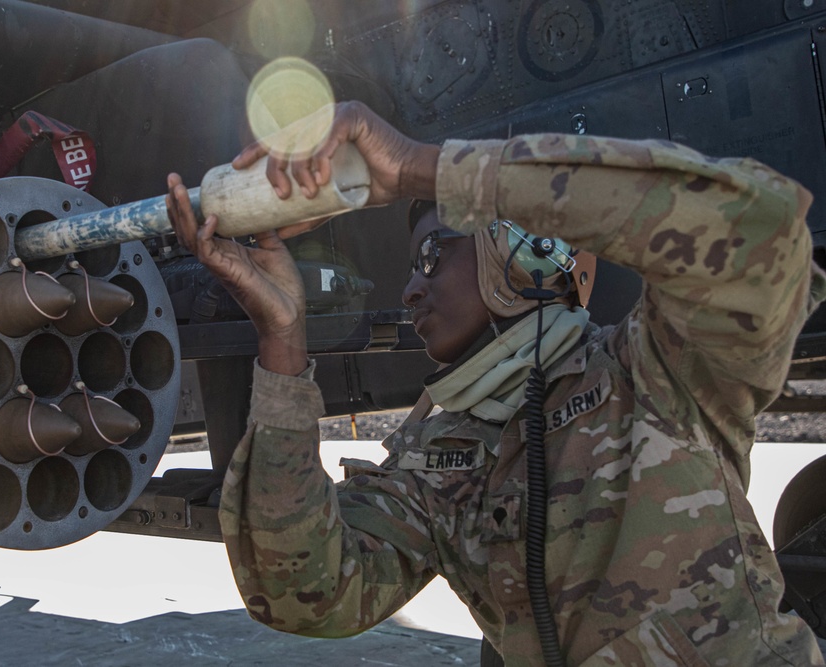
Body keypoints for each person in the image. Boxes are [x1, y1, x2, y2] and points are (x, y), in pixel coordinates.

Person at [166, 100, 826, 666]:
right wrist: (282, 341)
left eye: (433, 254)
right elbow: (304, 592)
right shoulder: (439, 451)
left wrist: (421, 168)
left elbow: (761, 229)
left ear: (528, 252)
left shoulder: (657, 369)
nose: (410, 286)